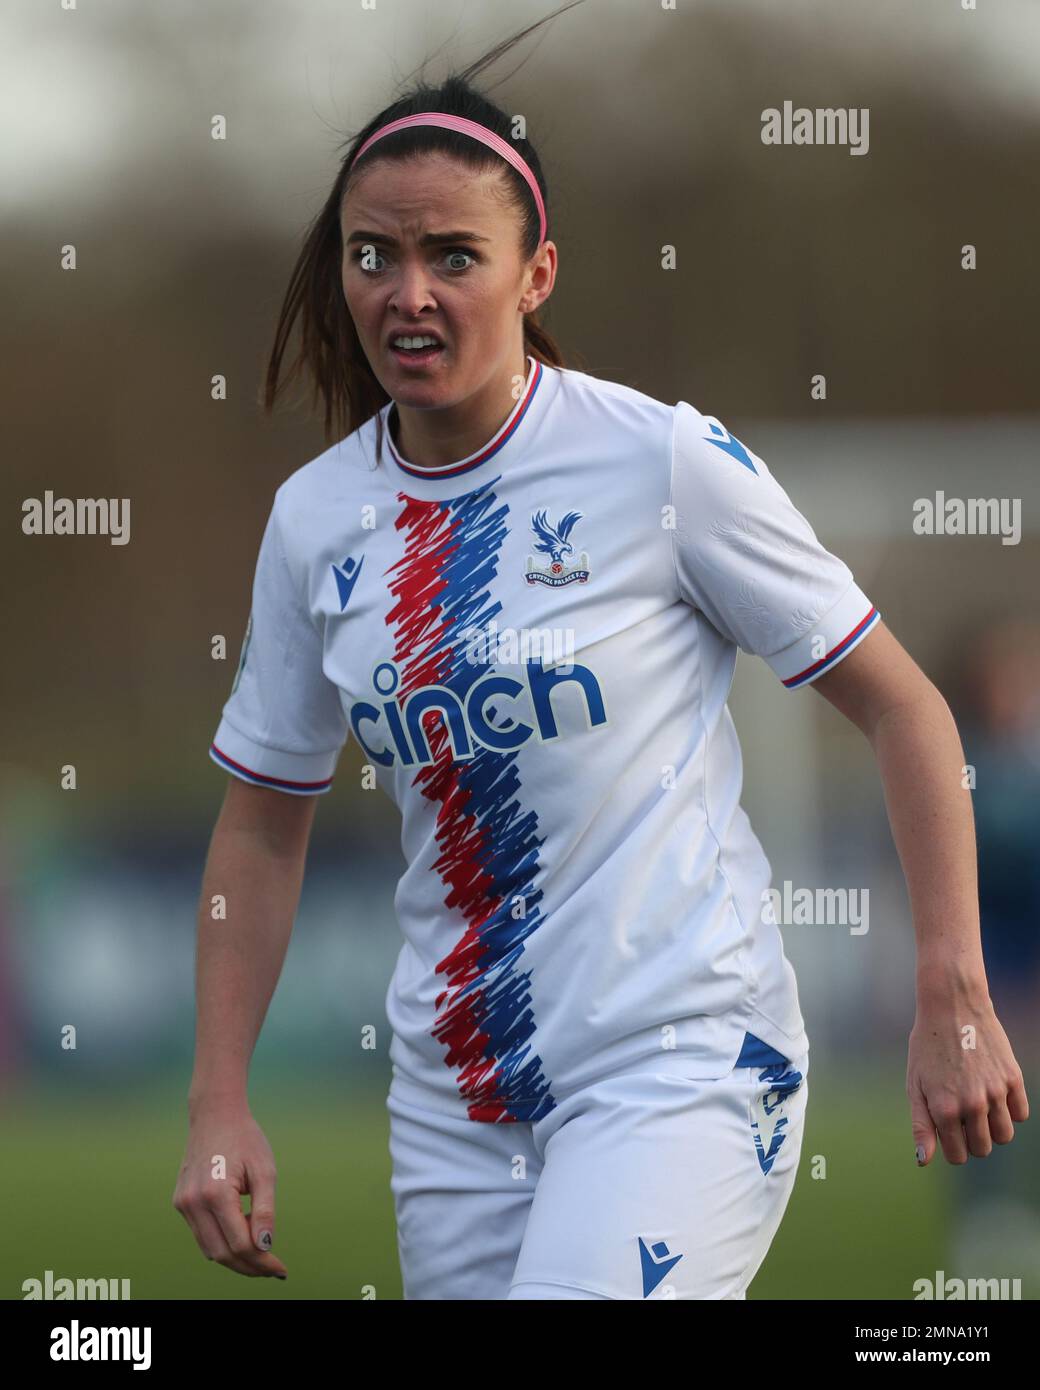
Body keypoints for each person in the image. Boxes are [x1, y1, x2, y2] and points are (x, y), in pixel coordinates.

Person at [173, 7, 1029, 1300]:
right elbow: (261, 826)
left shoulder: (660, 463)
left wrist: (952, 988)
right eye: (375, 254)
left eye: (454, 254)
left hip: (680, 1062)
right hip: (457, 1101)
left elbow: (906, 709)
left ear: (539, 275)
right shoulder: (313, 522)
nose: (408, 293)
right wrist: (218, 1097)